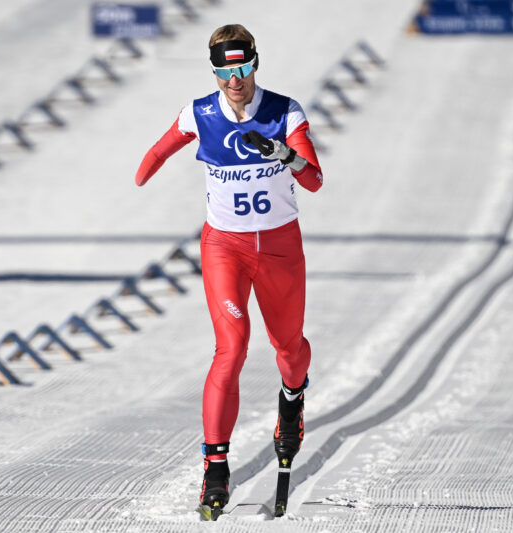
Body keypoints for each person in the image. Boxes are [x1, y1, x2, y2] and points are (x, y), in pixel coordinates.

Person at [134, 23, 323, 518]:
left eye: (241, 69)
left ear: (255, 64)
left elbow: (316, 178)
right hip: (226, 248)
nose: (234, 81)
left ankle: (291, 401)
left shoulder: (285, 111)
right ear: (214, 72)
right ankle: (215, 469)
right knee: (232, 344)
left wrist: (285, 154)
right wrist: (145, 168)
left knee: (289, 350)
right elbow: (159, 149)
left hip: (280, 248)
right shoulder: (199, 113)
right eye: (224, 72)